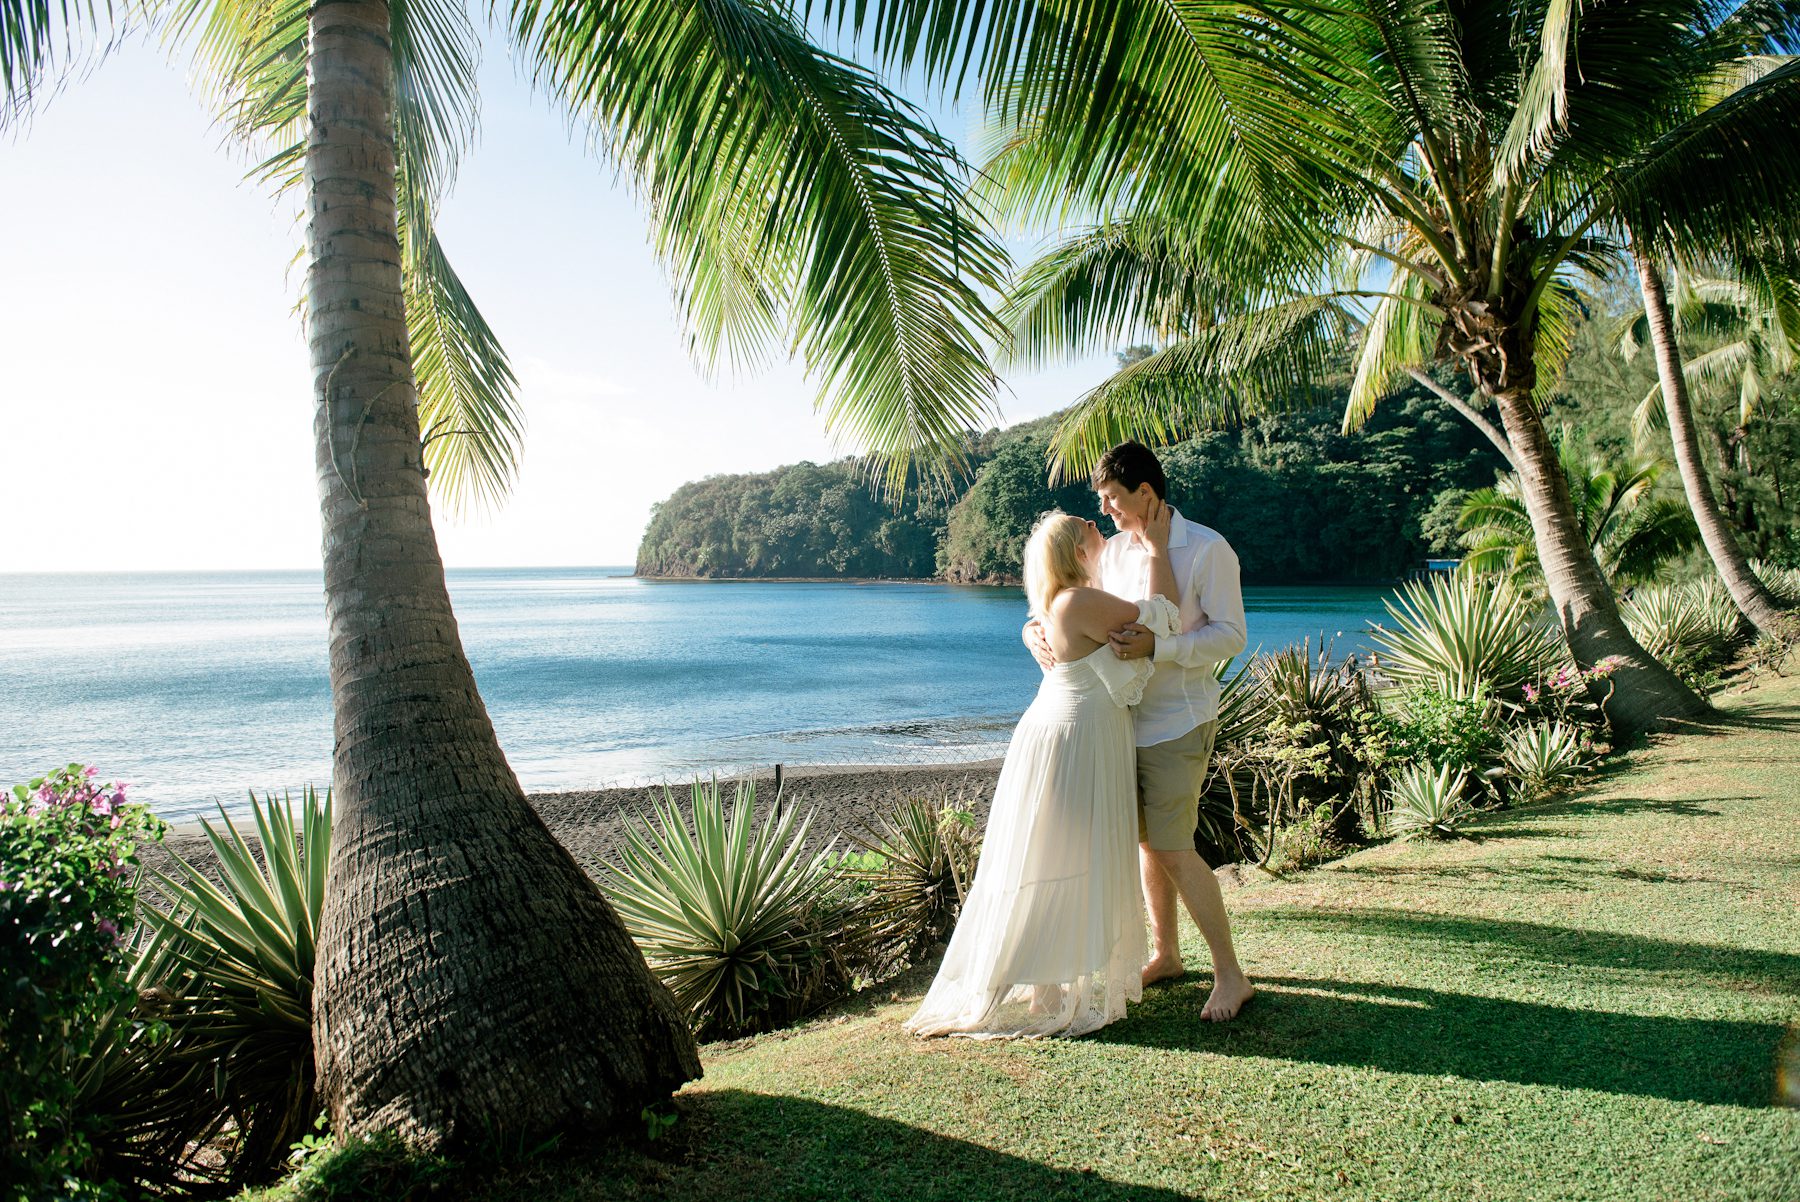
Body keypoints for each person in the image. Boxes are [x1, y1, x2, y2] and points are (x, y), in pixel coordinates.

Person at [905, 507, 1180, 1038]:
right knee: (1063, 853)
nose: (1100, 530)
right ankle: (1045, 991)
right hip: (1076, 734)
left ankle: (1047, 990)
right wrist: (1161, 551)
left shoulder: (1061, 602)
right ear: (1078, 553)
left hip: (1066, 727)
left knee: (1055, 853)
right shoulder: (1078, 600)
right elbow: (1163, 617)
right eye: (1091, 530)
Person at [1026, 441, 1254, 1023]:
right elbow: (1072, 599)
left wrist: (1165, 645)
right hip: (1118, 723)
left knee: (1173, 847)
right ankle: (1166, 954)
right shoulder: (1115, 552)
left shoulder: (1207, 549)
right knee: (1144, 843)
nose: (1104, 511)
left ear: (1145, 494)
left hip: (1177, 720)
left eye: (1111, 499)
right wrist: (1032, 628)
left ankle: (1231, 975)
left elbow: (1231, 636)